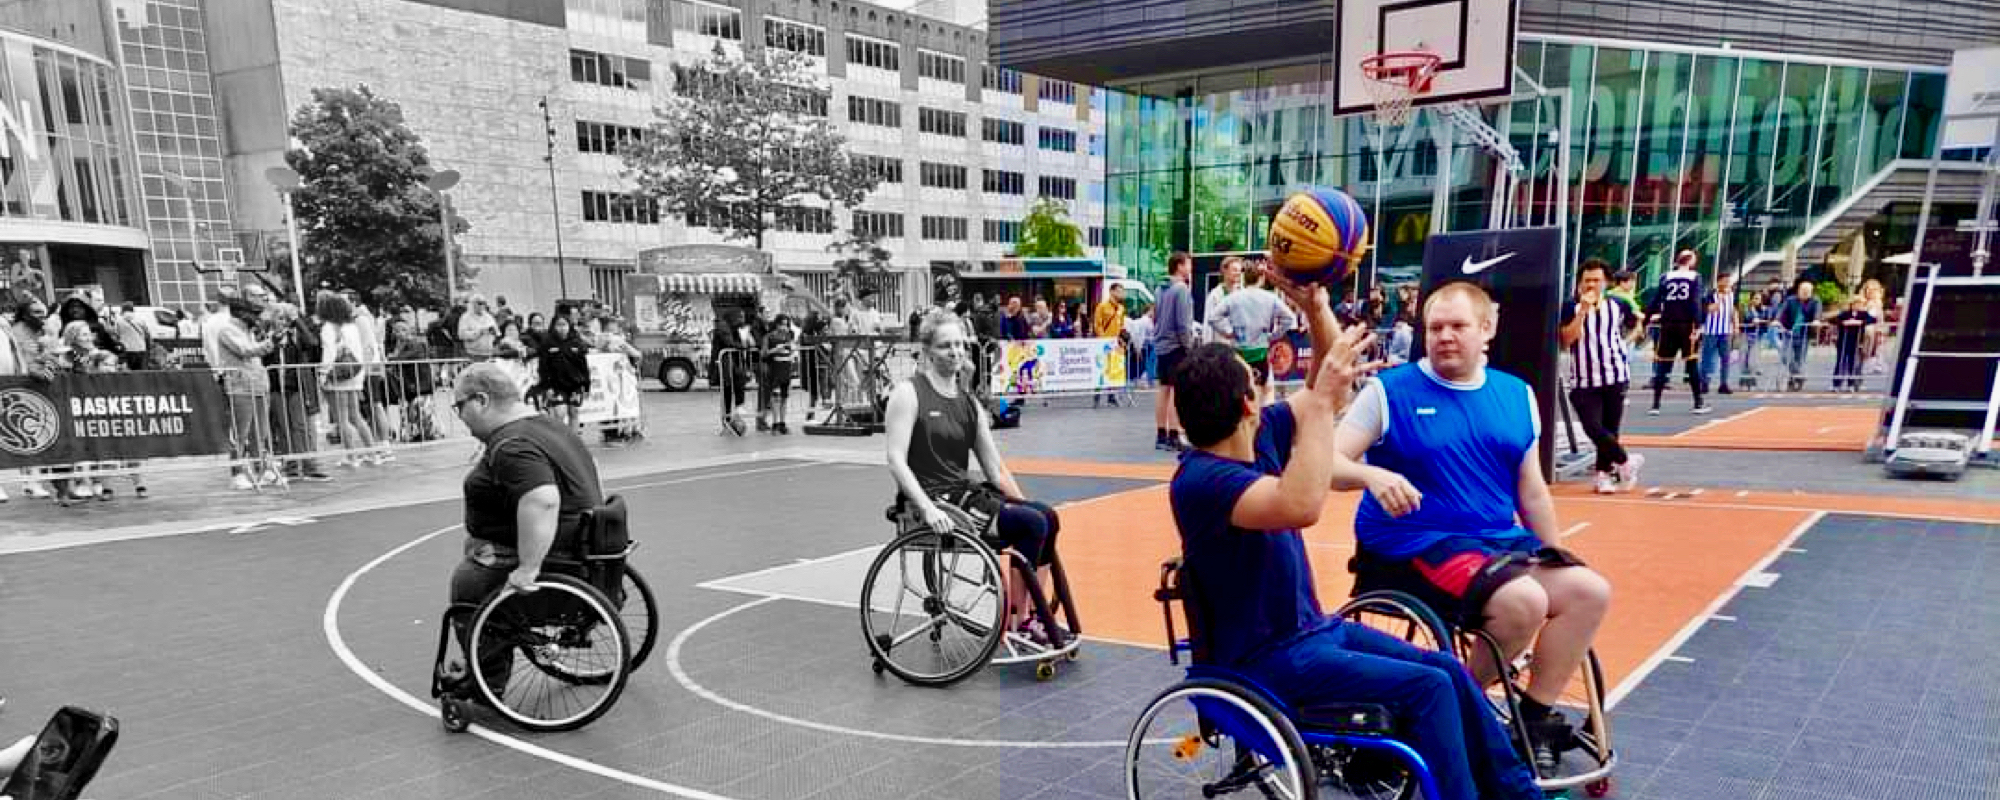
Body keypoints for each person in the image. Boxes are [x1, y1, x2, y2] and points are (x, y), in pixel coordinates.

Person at [1170, 272, 1539, 800]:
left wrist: (1318, 309)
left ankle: (1517, 792)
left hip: (1311, 630)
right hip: (1265, 660)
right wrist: (1321, 404)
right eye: (1254, 382)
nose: (1264, 387)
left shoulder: (1260, 436)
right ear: (1248, 404)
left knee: (1446, 669)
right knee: (1429, 689)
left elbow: (1326, 379)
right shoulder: (1202, 481)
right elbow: (1300, 505)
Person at [1333, 281, 1612, 774]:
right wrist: (1370, 474)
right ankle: (1449, 704)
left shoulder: (1517, 395)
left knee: (1588, 590)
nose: (1444, 336)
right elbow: (1326, 465)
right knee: (1524, 603)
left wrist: (1553, 555)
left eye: (1458, 326)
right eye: (1435, 327)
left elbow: (1531, 491)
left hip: (1496, 546)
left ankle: (1531, 719)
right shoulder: (1389, 392)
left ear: (1487, 329)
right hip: (1415, 543)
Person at [885, 311, 1064, 642]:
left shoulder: (969, 403)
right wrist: (927, 508)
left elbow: (994, 469)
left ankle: (1028, 614)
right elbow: (896, 459)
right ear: (927, 351)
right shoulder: (908, 394)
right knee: (1032, 524)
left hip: (964, 494)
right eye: (944, 346)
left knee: (1046, 517)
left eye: (958, 344)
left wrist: (1023, 502)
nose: (954, 352)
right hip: (937, 501)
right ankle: (1019, 619)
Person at [436, 362, 605, 688]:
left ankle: (487, 681)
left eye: (459, 407)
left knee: (467, 586)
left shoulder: (513, 444)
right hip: (583, 543)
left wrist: (528, 567)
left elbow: (542, 499)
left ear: (481, 401)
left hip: (554, 555)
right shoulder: (551, 427)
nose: (460, 418)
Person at [1561, 260, 1644, 494]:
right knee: (1593, 427)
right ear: (1579, 283)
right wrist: (1584, 312)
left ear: (1606, 282)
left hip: (1615, 374)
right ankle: (1626, 462)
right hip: (1584, 379)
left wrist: (1625, 343)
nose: (1591, 284)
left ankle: (1603, 475)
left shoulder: (1618, 305)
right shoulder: (1570, 307)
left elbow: (1636, 323)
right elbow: (1566, 340)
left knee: (1611, 427)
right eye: (1587, 280)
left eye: (1596, 280)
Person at [1209, 268, 1297, 406]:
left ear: (1244, 278)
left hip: (1239, 351)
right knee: (1262, 392)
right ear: (1261, 279)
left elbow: (1213, 318)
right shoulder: (1270, 297)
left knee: (1239, 391)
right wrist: (1274, 336)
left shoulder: (1233, 297)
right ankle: (1260, 422)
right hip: (1260, 351)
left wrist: (1228, 332)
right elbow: (1289, 318)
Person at [267, 302, 331, 483]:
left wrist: (297, 321)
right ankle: (291, 467)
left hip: (296, 387)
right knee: (283, 427)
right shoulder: (267, 337)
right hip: (275, 388)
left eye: (286, 319)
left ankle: (309, 465)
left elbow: (312, 343)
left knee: (300, 426)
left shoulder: (295, 336)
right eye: (280, 318)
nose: (283, 323)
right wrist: (272, 339)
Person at [318, 292, 384, 467]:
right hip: (354, 373)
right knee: (356, 416)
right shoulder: (351, 326)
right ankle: (372, 452)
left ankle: (351, 455)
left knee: (342, 418)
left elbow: (329, 353)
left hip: (337, 375)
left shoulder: (328, 328)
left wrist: (323, 373)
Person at [1645, 249, 1708, 415]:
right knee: (1692, 363)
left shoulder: (1666, 276)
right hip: (1686, 324)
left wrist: (1646, 318)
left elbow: (1656, 299)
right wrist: (1698, 323)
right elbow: (1695, 302)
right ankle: (1698, 403)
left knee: (1663, 364)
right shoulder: (1695, 277)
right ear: (1691, 261)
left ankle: (1655, 404)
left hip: (1668, 324)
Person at [1151, 252, 1196, 451]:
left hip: (1161, 344)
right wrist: (1189, 346)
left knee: (1163, 389)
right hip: (1177, 346)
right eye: (1188, 264)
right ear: (1179, 266)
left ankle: (1161, 434)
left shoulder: (1159, 289)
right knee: (1177, 390)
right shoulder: (1182, 290)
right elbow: (1184, 324)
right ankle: (1174, 434)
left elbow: (1156, 317)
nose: (1190, 269)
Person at [535, 315, 591, 432]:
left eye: (564, 324)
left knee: (574, 412)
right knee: (560, 413)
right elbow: (543, 368)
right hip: (556, 386)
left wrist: (587, 386)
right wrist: (547, 387)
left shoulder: (577, 343)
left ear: (569, 326)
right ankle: (561, 441)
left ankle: (574, 442)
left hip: (575, 385)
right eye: (558, 325)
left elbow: (583, 367)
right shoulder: (547, 343)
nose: (562, 328)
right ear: (554, 326)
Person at [1773, 280, 1821, 392]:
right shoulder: (1790, 300)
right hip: (1789, 332)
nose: (1805, 293)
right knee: (1786, 356)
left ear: (1811, 292)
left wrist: (1816, 320)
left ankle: (1793, 381)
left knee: (1799, 359)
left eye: (1808, 291)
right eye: (1803, 290)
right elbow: (1782, 311)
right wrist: (1777, 320)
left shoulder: (1815, 301)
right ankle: (1799, 376)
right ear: (1798, 290)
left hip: (1804, 333)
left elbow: (1817, 312)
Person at [711, 310, 752, 434]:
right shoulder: (724, 327)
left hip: (731, 363)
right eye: (740, 317)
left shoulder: (733, 328)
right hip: (725, 364)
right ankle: (727, 420)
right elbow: (729, 343)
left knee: (731, 389)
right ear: (734, 317)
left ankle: (729, 420)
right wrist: (743, 345)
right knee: (728, 391)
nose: (743, 320)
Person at [1699, 271, 1739, 396]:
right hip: (1711, 330)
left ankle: (1723, 383)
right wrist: (1720, 299)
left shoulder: (1732, 294)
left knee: (1725, 358)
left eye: (1729, 281)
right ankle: (1704, 382)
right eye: (1725, 281)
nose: (1728, 283)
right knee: (1707, 357)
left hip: (1725, 331)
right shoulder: (1710, 294)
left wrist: (1736, 325)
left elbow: (1733, 310)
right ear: (1719, 281)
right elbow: (1711, 309)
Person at [762, 314, 799, 434]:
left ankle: (783, 423)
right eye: (782, 324)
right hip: (775, 368)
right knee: (775, 397)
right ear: (776, 324)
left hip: (786, 367)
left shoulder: (789, 336)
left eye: (786, 324)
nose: (784, 327)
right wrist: (777, 349)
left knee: (784, 397)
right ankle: (775, 423)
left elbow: (793, 349)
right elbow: (764, 353)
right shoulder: (769, 337)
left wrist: (792, 350)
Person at [1830, 297, 1876, 392]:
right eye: (1856, 304)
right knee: (1840, 362)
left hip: (1856, 342)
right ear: (1851, 304)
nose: (1857, 306)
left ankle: (1850, 383)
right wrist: (1844, 323)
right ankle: (1836, 383)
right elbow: (1834, 320)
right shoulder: (1845, 313)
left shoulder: (1863, 314)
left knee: (1852, 363)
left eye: (1860, 304)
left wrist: (1860, 322)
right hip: (1843, 342)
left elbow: (1873, 319)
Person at [1093, 284, 1127, 408]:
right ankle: (1097, 396)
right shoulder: (1102, 307)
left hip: (1116, 344)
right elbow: (1097, 325)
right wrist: (1103, 339)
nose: (1121, 294)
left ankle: (1112, 396)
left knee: (1114, 370)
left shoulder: (1121, 308)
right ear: (1111, 292)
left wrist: (1122, 338)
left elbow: (1122, 325)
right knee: (1102, 369)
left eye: (1122, 291)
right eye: (1119, 291)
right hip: (1104, 344)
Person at [1203, 256, 1245, 337]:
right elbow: (1208, 325)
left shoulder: (1243, 294)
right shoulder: (1214, 295)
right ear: (1225, 271)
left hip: (1239, 345)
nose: (1238, 273)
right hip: (1220, 344)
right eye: (1234, 270)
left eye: (1240, 271)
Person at [457, 295, 499, 361]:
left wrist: (494, 332)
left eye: (484, 303)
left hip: (489, 353)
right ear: (472, 304)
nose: (482, 305)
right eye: (479, 303)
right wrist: (479, 332)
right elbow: (461, 335)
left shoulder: (489, 317)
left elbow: (497, 332)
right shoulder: (465, 317)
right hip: (473, 354)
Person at [111, 302, 150, 371]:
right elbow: (147, 335)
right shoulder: (140, 320)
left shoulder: (118, 322)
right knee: (141, 372)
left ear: (122, 310)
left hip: (127, 350)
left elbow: (115, 336)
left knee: (129, 372)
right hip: (141, 349)